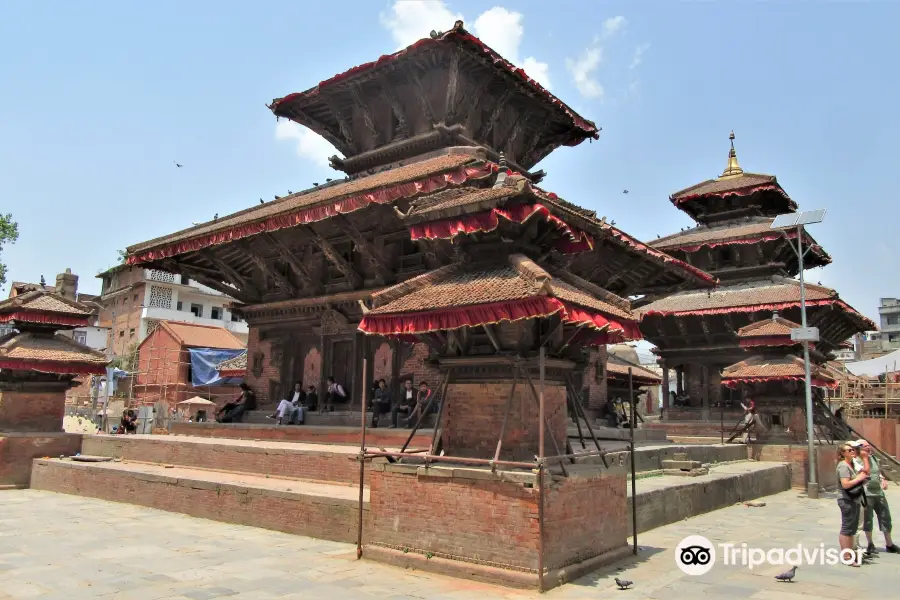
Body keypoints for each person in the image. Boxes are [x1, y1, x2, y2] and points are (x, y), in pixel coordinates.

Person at [857, 440, 899, 554]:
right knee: (868, 519)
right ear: (860, 448)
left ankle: (889, 544)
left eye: (869, 446)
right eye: (866, 446)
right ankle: (870, 544)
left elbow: (877, 471)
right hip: (866, 494)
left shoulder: (873, 457)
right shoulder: (857, 460)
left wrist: (882, 479)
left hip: (878, 493)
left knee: (885, 517)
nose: (869, 448)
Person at [837, 442, 869, 566]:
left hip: (854, 499)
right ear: (843, 453)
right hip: (846, 500)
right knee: (847, 528)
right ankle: (846, 556)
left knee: (852, 529)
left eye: (852, 450)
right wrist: (859, 478)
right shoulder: (843, 466)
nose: (852, 451)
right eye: (849, 450)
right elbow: (845, 484)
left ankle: (850, 554)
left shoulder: (850, 464)